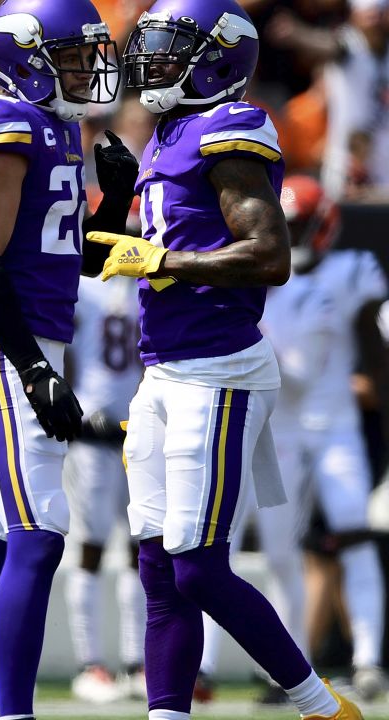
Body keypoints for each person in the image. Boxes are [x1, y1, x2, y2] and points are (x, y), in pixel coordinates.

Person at [88, 1, 363, 718]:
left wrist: (166, 259)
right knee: (156, 568)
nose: (152, 63)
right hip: (163, 368)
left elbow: (271, 255)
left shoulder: (228, 127)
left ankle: (322, 707)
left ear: (219, 55)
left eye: (171, 49)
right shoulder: (170, 131)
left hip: (219, 368)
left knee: (200, 570)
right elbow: (107, 259)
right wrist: (117, 201)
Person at [0, 2, 129, 719]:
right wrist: (34, 368)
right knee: (39, 535)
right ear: (27, 54)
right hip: (0, 348)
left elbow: (64, 259)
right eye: (73, 54)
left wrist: (117, 199)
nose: (86, 68)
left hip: (23, 344)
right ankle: (14, 713)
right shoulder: (3, 121)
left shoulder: (57, 126)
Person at [198, 174, 389, 704]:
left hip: (335, 427)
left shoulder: (353, 273)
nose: (296, 234)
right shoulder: (255, 267)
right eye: (289, 225)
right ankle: (275, 667)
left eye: (302, 225)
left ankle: (368, 658)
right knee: (275, 547)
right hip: (274, 427)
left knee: (352, 531)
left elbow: (374, 354)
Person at [63, 270, 146, 703]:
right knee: (91, 545)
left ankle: (137, 662)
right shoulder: (81, 286)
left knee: (141, 549)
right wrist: (74, 404)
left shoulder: (154, 278)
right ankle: (89, 663)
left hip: (139, 429)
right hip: (93, 433)